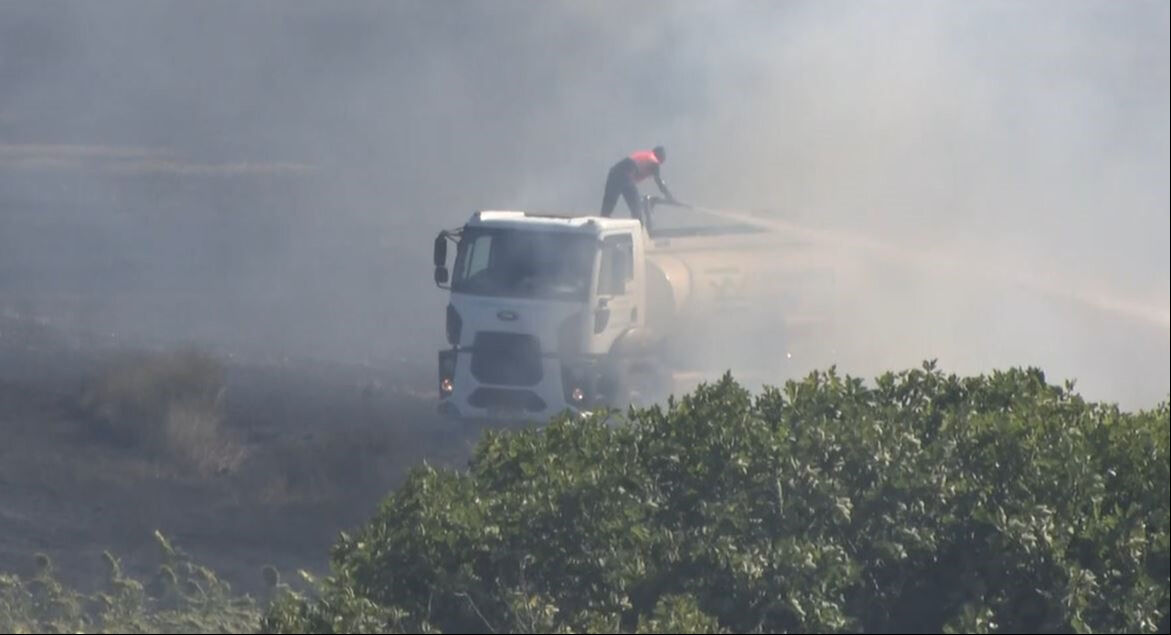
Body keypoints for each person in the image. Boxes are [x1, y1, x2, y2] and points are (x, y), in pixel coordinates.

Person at [601, 146, 678, 220]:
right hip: (626, 173)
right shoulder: (654, 161)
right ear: (660, 156)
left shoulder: (645, 157)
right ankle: (639, 227)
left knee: (608, 206)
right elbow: (659, 181)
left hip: (614, 172)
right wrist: (669, 196)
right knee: (636, 209)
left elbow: (631, 180)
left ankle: (604, 218)